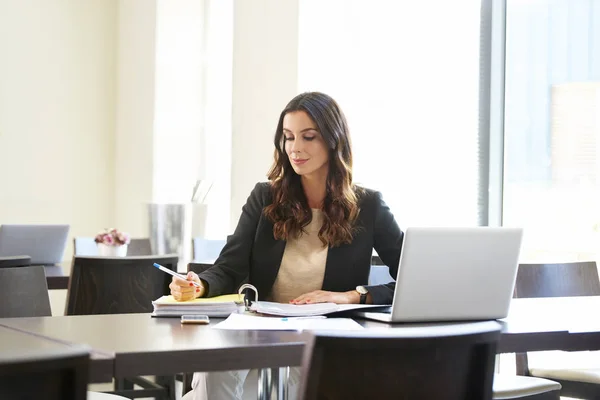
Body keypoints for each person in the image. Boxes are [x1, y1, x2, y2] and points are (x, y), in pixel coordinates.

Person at [174, 92, 403, 400]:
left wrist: (350, 296)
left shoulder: (368, 206)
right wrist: (199, 284)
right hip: (256, 333)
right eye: (288, 137)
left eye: (308, 137)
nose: (295, 148)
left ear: (334, 141)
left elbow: (411, 280)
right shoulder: (265, 197)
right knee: (216, 366)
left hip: (319, 341)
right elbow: (229, 267)